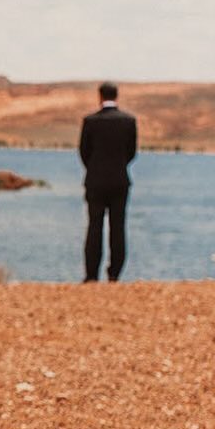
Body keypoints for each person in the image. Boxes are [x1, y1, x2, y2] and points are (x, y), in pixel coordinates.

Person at [78, 81, 137, 282]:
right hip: (120, 181)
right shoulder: (129, 121)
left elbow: (83, 151)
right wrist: (118, 167)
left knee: (94, 226)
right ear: (117, 96)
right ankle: (114, 274)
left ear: (100, 96)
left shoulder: (90, 121)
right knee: (118, 227)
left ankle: (91, 275)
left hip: (95, 181)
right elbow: (131, 152)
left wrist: (94, 169)